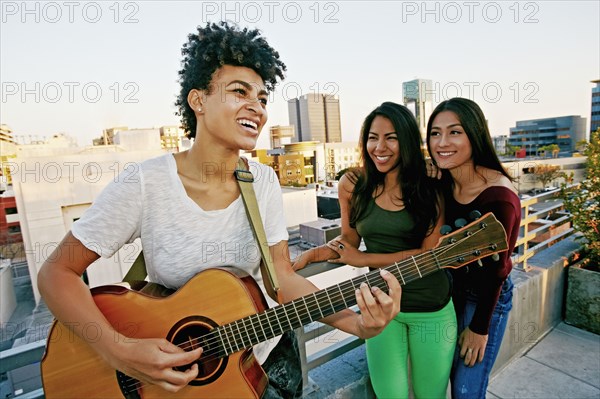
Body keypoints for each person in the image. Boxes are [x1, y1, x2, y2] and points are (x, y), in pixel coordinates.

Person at [37, 22, 401, 398]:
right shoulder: (144, 184)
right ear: (198, 100)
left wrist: (355, 324)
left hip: (266, 361)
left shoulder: (262, 181)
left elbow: (281, 279)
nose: (256, 108)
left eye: (261, 98)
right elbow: (57, 272)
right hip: (177, 382)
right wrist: (121, 352)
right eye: (239, 92)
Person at [293, 102, 457, 398]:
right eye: (372, 137)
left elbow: (429, 256)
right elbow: (348, 241)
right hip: (380, 309)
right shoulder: (353, 184)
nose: (379, 147)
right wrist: (311, 256)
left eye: (391, 137)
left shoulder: (431, 186)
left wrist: (364, 259)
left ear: (406, 141)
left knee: (430, 395)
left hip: (431, 307)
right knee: (388, 395)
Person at [426, 97, 521, 399]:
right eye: (435, 133)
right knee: (443, 379)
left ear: (475, 135)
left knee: (466, 390)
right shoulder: (443, 182)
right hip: (449, 293)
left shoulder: (498, 197)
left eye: (455, 132)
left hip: (485, 299)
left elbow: (498, 271)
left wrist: (480, 328)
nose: (442, 142)